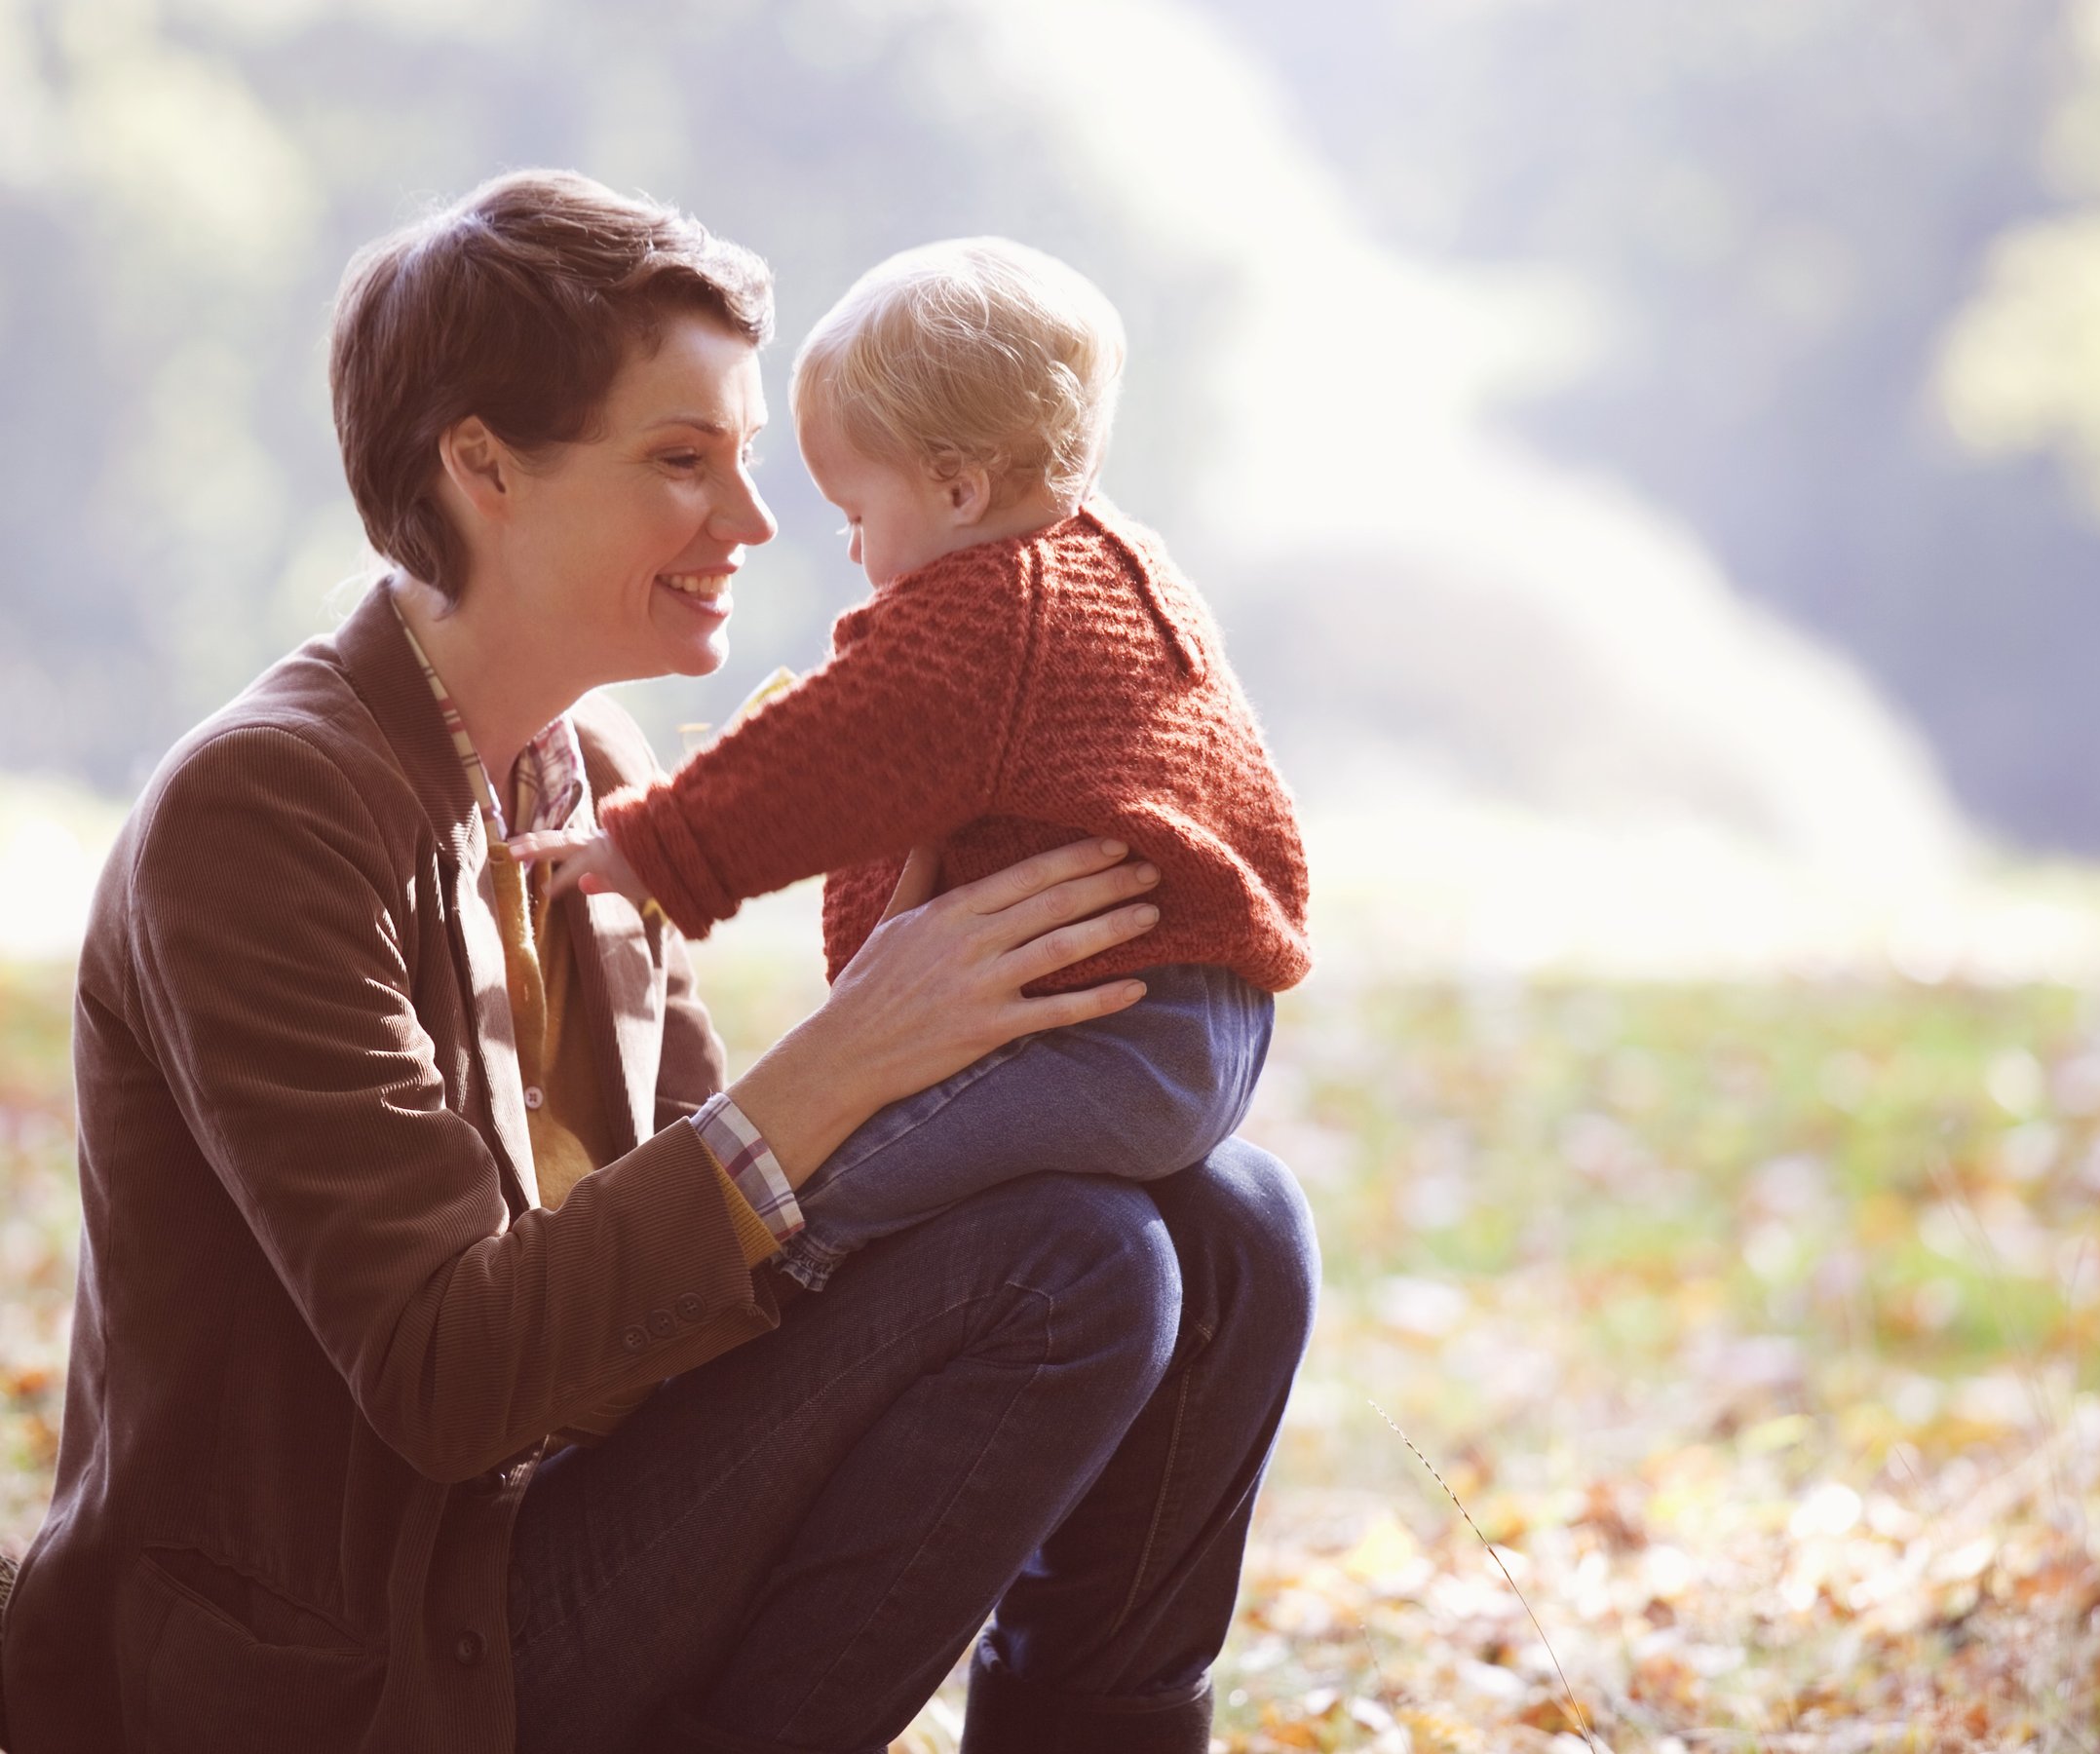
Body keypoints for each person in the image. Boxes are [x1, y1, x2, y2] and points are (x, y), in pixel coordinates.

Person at [0, 171, 1317, 1754]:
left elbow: (732, 1274)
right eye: (681, 463)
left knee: (1231, 1221)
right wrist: (846, 1061)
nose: (758, 525)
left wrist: (960, 1040)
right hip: (367, 1661)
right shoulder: (263, 814)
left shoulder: (594, 774)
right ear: (483, 466)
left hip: (564, 1521)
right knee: (1075, 1264)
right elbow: (448, 1381)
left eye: (749, 461)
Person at [512, 237, 1309, 1299]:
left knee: (838, 1175)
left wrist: (650, 845)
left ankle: (781, 1288)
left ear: (958, 489)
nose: (851, 551)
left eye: (857, 514)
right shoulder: (1114, 564)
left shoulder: (987, 613)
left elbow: (823, 760)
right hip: (1201, 1029)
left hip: (1098, 1039)